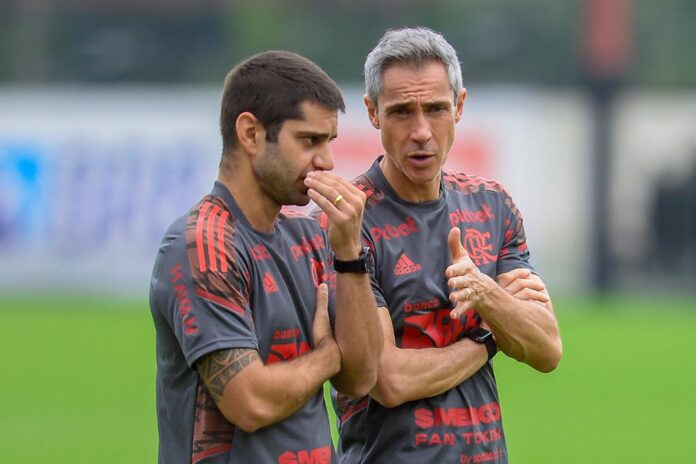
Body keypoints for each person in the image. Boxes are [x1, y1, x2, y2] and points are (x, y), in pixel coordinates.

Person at [319, 27, 563, 463]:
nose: (421, 132)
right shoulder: (346, 222)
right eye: (401, 112)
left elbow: (546, 347)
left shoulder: (492, 205)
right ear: (373, 112)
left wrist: (485, 294)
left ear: (459, 106)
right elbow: (388, 378)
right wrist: (490, 335)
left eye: (435, 109)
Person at [149, 50, 383, 464]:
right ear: (251, 133)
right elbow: (249, 402)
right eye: (309, 140)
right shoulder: (204, 244)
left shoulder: (309, 236)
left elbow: (361, 376)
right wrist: (329, 355)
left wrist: (350, 253)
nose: (326, 161)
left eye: (328, 142)